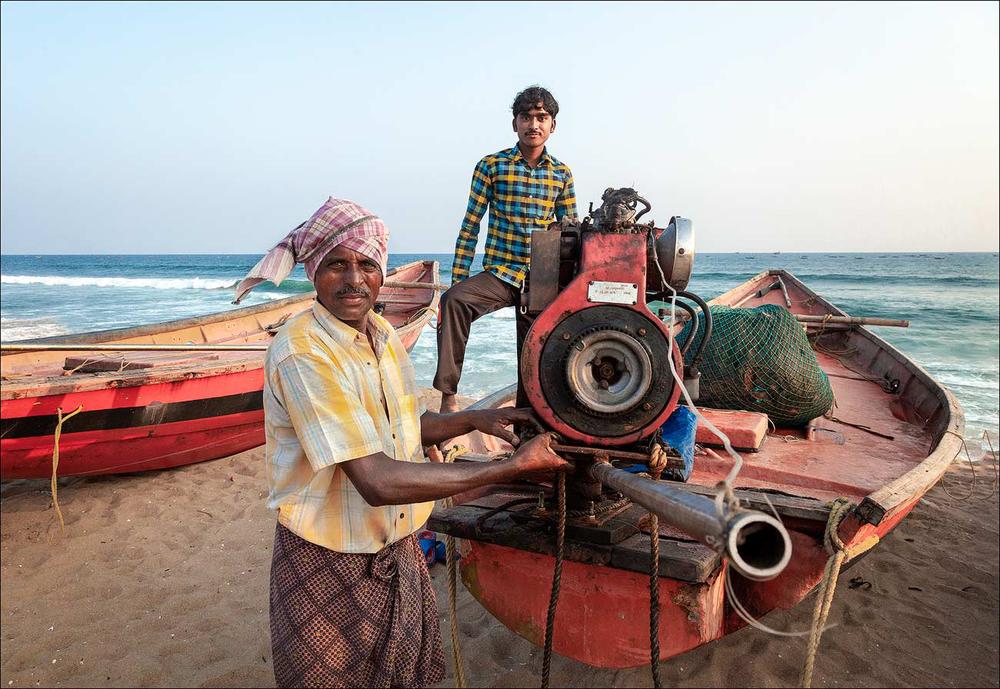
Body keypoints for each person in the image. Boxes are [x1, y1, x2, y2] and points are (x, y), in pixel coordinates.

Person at [235, 197, 570, 689]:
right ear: (313, 272)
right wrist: (510, 468)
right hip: (330, 559)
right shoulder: (303, 352)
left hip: (399, 548)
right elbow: (375, 478)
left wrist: (479, 419)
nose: (354, 280)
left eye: (367, 265)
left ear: (383, 272)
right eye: (337, 265)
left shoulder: (383, 334)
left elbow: (405, 422)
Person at [434, 85, 578, 413]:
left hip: (540, 280)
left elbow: (570, 235)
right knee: (454, 301)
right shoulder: (491, 166)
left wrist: (568, 288)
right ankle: (447, 398)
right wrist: (459, 278)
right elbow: (471, 225)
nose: (533, 124)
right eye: (526, 117)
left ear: (552, 125)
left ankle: (529, 420)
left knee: (535, 354)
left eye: (542, 117)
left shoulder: (561, 174)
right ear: (515, 123)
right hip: (500, 273)